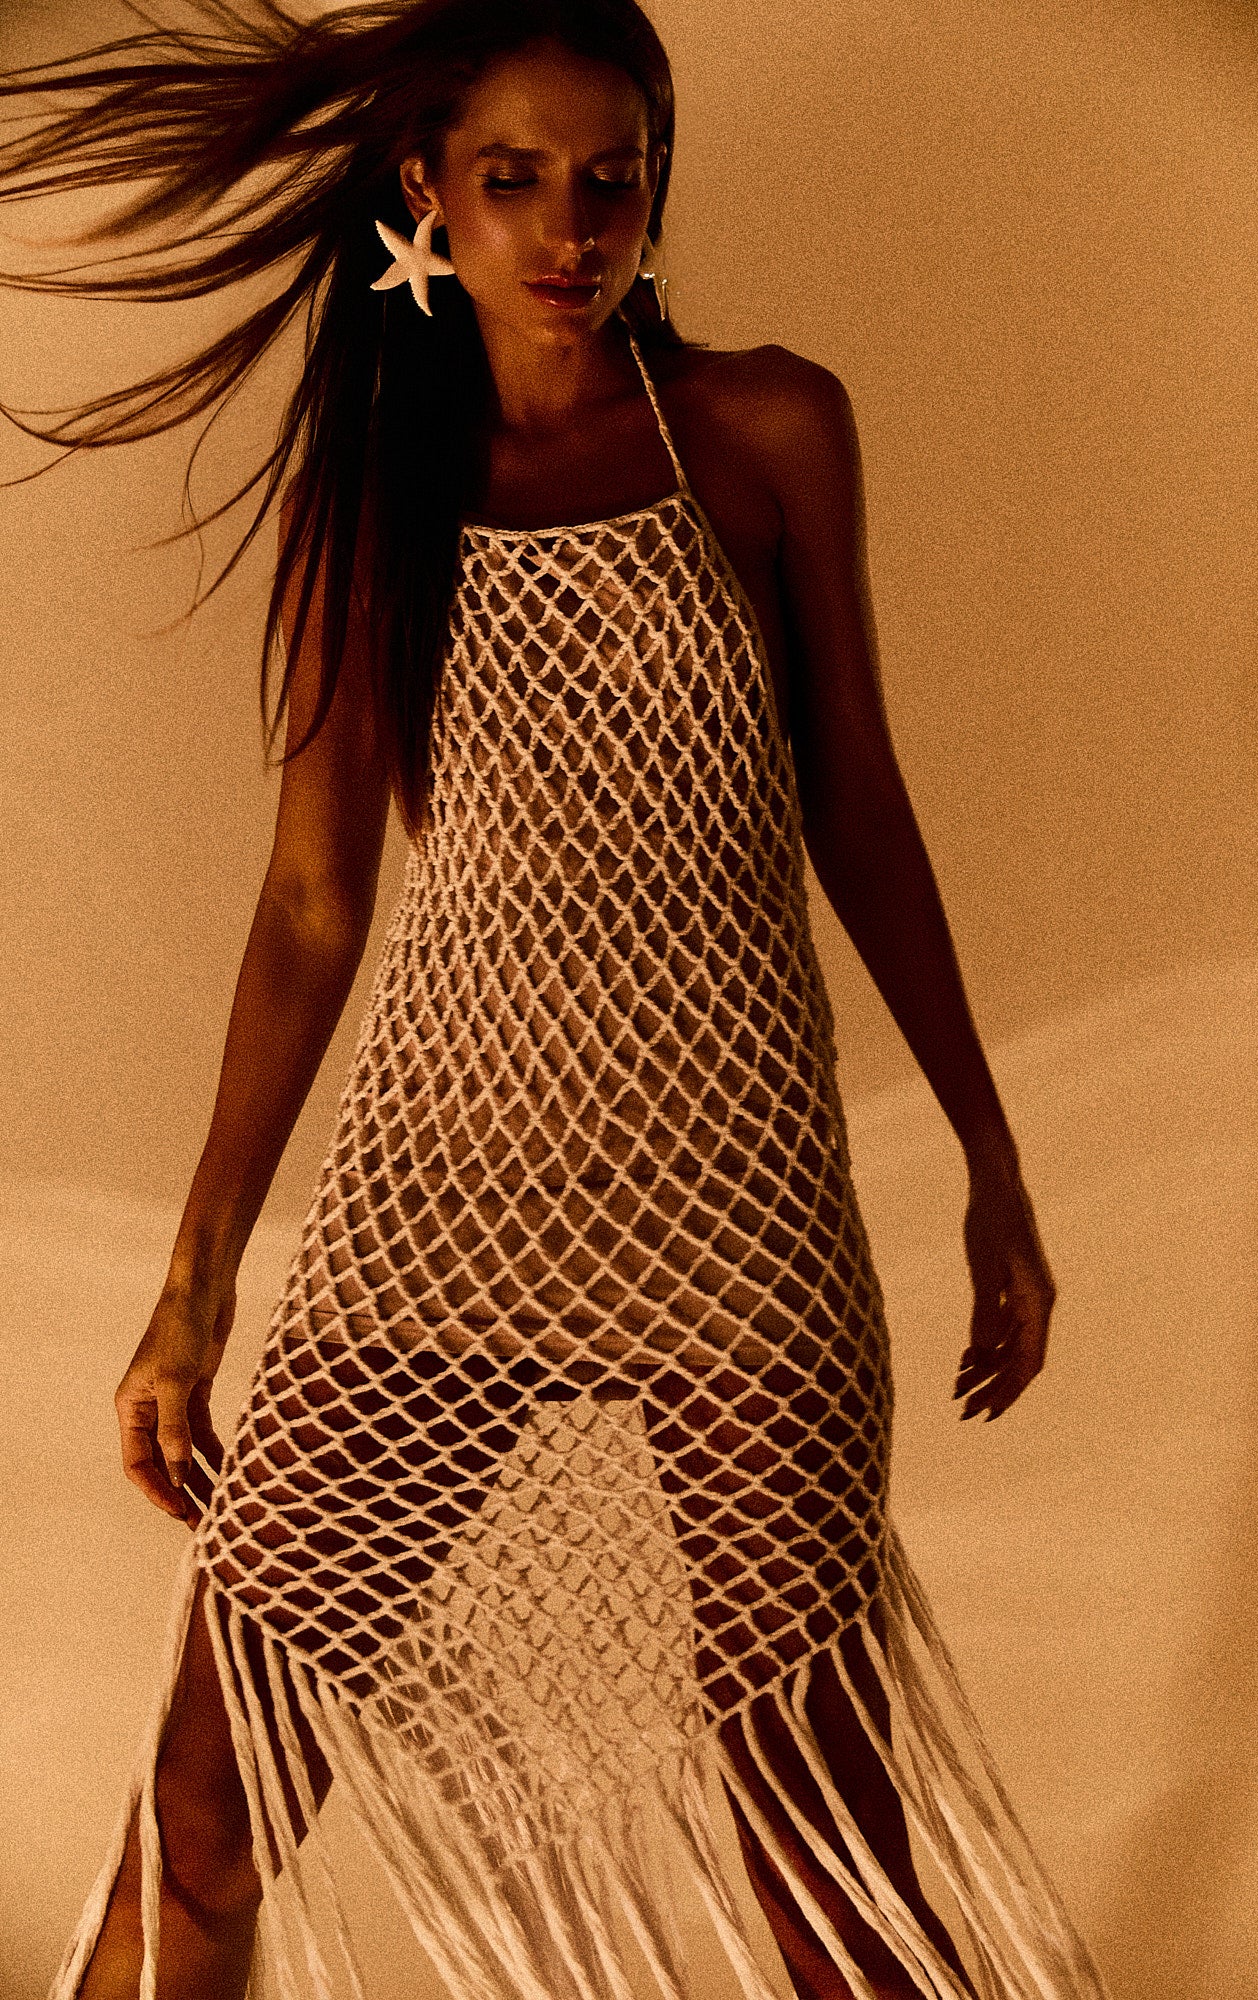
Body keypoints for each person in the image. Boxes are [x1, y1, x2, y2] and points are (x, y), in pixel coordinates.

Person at [1, 4, 1109, 1996]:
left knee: (823, 1850)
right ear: (426, 190)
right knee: (207, 1802)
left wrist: (989, 1154)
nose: (572, 227)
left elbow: (854, 796)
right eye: (514, 180)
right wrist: (195, 1282)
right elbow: (315, 898)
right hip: (438, 1201)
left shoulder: (767, 429)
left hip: (733, 1210)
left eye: (613, 178)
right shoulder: (374, 489)